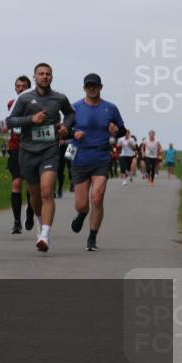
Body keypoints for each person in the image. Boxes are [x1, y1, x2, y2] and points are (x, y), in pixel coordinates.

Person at [6, 63, 75, 253]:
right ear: (34, 77)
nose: (44, 77)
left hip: (50, 150)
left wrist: (66, 126)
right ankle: (39, 220)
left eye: (48, 74)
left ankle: (45, 235)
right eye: (41, 74)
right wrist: (31, 120)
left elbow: (70, 113)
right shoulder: (25, 98)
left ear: (52, 77)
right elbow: (10, 121)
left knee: (46, 192)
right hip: (27, 151)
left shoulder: (59, 98)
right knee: (35, 196)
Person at [67, 73, 125, 251]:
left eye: (95, 86)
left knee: (97, 198)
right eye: (88, 86)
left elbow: (122, 130)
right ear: (84, 88)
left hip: (101, 157)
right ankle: (82, 214)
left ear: (101, 87)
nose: (92, 88)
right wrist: (72, 134)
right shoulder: (74, 108)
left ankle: (92, 237)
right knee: (82, 204)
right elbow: (64, 130)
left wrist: (116, 131)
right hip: (80, 157)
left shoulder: (111, 108)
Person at [4, 75, 35, 234]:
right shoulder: (11, 104)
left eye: (24, 86)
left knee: (30, 185)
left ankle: (30, 211)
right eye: (18, 86)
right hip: (15, 147)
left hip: (30, 147)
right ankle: (17, 221)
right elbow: (9, 122)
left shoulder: (35, 103)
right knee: (16, 183)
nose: (21, 89)